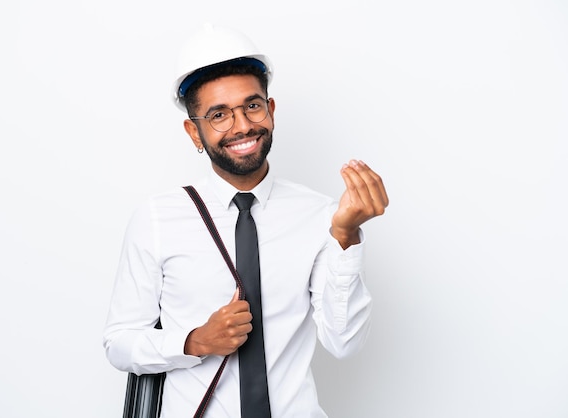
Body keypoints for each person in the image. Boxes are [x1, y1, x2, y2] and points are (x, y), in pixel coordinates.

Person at [103, 23, 389, 417]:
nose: (241, 126)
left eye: (252, 106)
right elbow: (119, 342)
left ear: (270, 111)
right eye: (218, 114)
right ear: (194, 132)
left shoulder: (320, 214)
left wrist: (345, 236)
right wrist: (194, 341)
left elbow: (345, 343)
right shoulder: (156, 218)